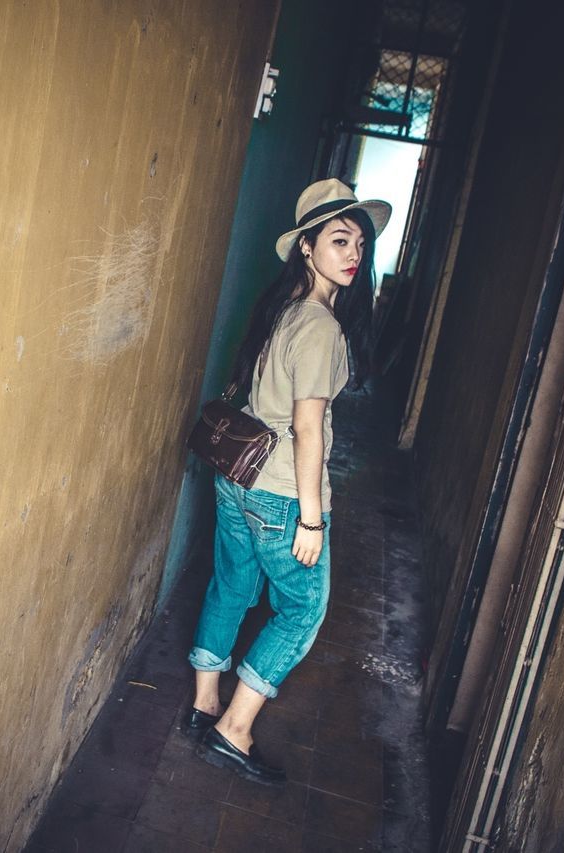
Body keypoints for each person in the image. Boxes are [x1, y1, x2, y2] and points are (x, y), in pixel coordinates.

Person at [185, 179, 390, 785]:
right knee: (302, 609)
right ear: (306, 246)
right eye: (338, 240)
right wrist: (309, 516)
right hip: (279, 492)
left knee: (231, 585)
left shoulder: (278, 310)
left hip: (236, 478)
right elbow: (308, 427)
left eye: (358, 243)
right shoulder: (322, 325)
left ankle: (203, 704)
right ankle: (234, 729)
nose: (353, 253)